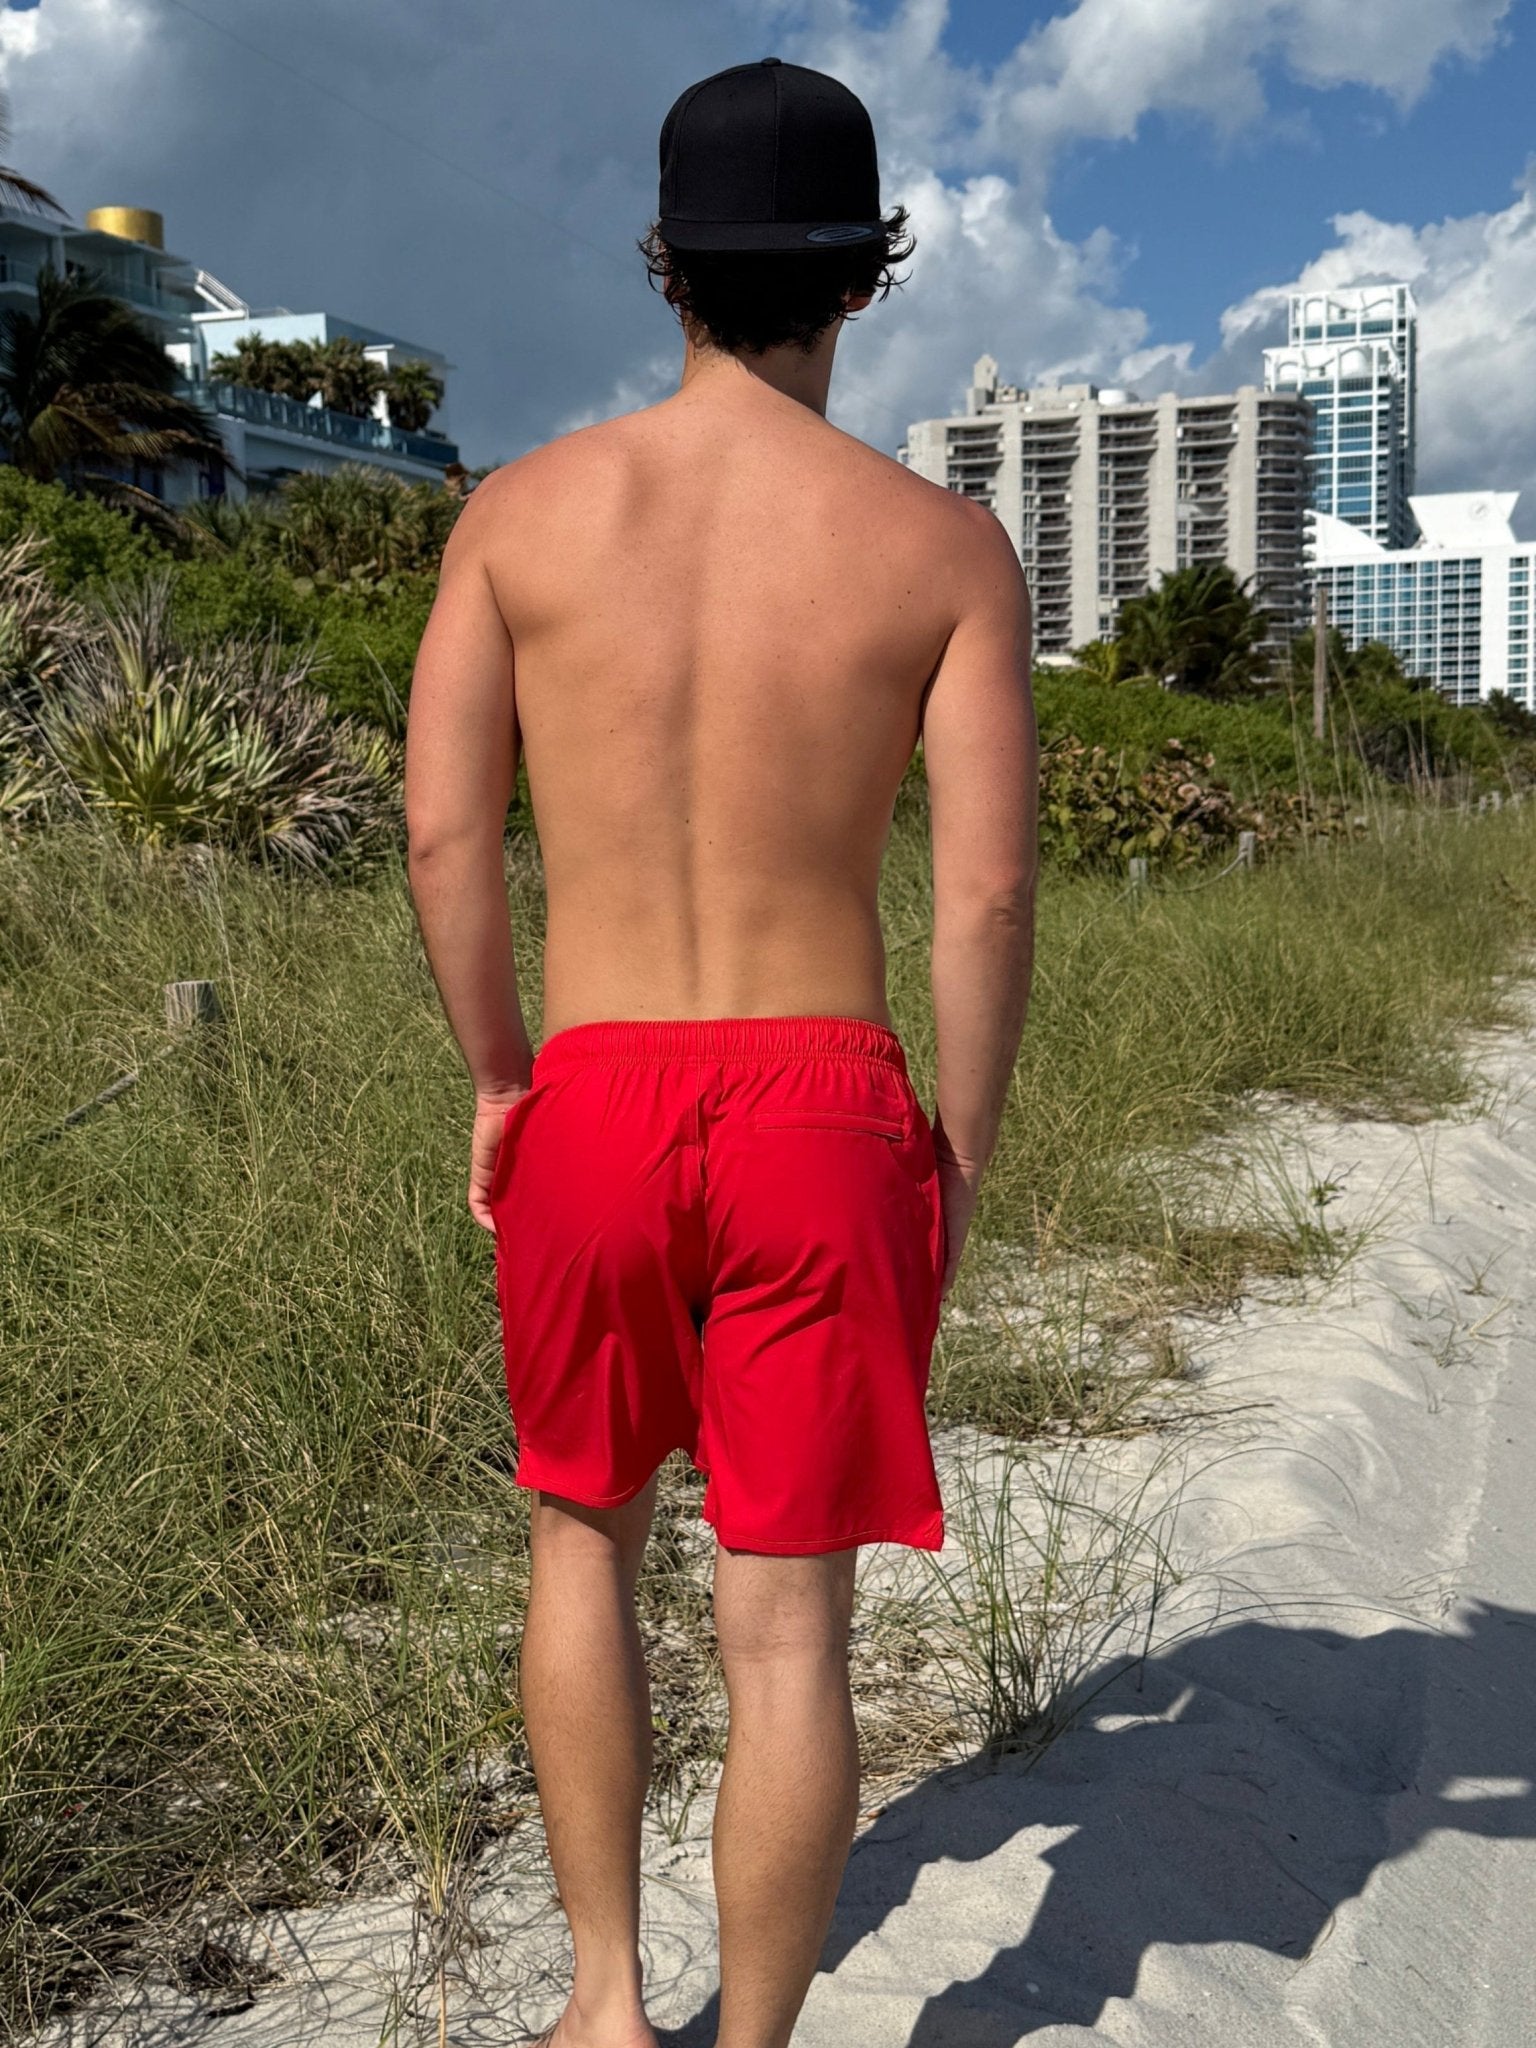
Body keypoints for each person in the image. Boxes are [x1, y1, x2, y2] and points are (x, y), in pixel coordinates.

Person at [404, 55, 1037, 2048]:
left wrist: (501, 1074)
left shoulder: (519, 515)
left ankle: (605, 2003)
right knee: (784, 1625)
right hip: (825, 1111)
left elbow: (442, 836)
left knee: (578, 1540)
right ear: (862, 279)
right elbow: (985, 900)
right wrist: (957, 1147)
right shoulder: (941, 550)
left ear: (667, 267)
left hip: (593, 1091)